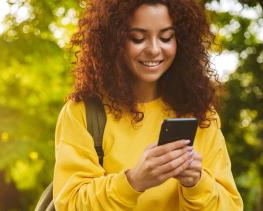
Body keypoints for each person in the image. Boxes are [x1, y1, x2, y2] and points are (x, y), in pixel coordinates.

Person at [53, 0, 243, 210]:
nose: (154, 49)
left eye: (165, 37)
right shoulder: (83, 112)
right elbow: (70, 203)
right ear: (115, 41)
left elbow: (232, 206)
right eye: (138, 38)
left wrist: (197, 184)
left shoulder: (200, 114)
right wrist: (134, 181)